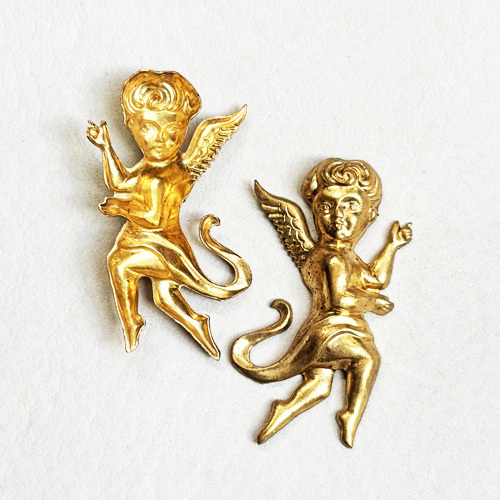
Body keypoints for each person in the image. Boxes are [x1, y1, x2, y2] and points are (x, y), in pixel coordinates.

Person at [232, 158, 412, 447]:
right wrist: (372, 304)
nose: (338, 216)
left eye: (351, 206)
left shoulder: (348, 255)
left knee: (319, 386)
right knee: (368, 359)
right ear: (314, 213)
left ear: (370, 215)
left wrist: (392, 246)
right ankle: (350, 415)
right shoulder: (330, 258)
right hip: (332, 331)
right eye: (326, 207)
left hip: (336, 330)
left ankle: (282, 411)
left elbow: (376, 279)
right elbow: (339, 300)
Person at [87, 71, 251, 357]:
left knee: (119, 263)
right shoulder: (148, 166)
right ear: (131, 126)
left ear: (185, 128)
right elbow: (119, 183)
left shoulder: (171, 174)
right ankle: (198, 324)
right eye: (149, 129)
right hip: (144, 240)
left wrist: (120, 208)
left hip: (162, 244)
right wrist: (105, 147)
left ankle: (133, 321)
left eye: (172, 130)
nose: (161, 140)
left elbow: (154, 219)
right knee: (164, 296)